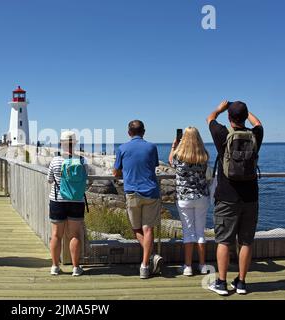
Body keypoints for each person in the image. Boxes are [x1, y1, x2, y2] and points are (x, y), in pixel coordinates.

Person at [206, 100, 263, 296]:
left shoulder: (222, 135)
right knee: (246, 242)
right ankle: (241, 282)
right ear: (245, 115)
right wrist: (246, 112)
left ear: (229, 118)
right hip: (250, 197)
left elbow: (210, 118)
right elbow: (258, 123)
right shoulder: (256, 135)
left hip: (226, 197)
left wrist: (221, 108)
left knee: (224, 241)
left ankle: (221, 283)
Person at [113, 120, 163, 279]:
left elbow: (115, 173)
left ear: (129, 133)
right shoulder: (152, 147)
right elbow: (153, 166)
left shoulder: (122, 148)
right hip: (151, 192)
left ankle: (151, 257)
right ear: (144, 131)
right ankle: (146, 264)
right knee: (148, 229)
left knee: (136, 229)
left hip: (132, 192)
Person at [168, 127, 210, 276]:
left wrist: (174, 145)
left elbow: (170, 161)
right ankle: (203, 265)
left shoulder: (179, 155)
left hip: (184, 198)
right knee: (200, 232)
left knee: (188, 231)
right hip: (201, 197)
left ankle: (188, 267)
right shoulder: (204, 155)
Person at [47, 131, 88, 277]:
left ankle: (54, 267)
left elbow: (50, 180)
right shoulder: (82, 160)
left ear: (61, 143)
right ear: (75, 143)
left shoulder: (55, 160)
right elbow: (86, 181)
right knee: (75, 235)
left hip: (58, 200)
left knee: (56, 235)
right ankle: (76, 268)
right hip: (77, 201)